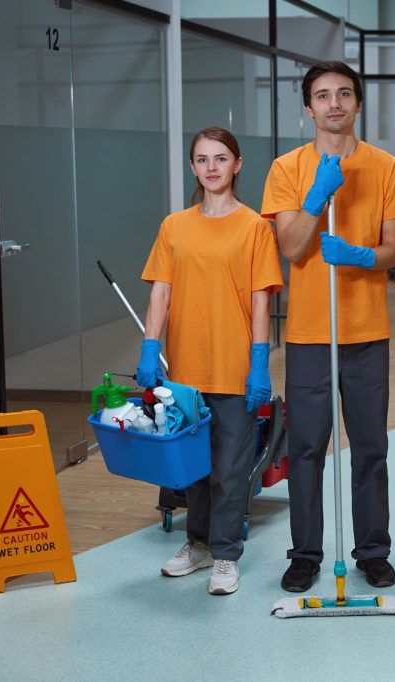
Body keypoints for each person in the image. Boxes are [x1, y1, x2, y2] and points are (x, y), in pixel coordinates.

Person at [261, 61, 395, 592]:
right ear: (309, 107)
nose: (334, 104)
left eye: (344, 94)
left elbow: (394, 250)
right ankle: (305, 553)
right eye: (323, 96)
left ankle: (373, 550)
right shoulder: (286, 169)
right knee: (306, 449)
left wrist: (357, 255)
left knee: (370, 447)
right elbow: (291, 246)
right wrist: (316, 197)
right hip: (308, 335)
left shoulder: (387, 168)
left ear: (356, 103)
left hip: (366, 332)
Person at [136, 127, 283, 595]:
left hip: (235, 367)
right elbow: (162, 289)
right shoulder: (174, 226)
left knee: (229, 467)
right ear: (194, 167)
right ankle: (196, 546)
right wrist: (148, 346)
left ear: (237, 165)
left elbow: (261, 300)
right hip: (185, 369)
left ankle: (224, 555)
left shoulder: (255, 227)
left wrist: (258, 363)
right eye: (202, 159)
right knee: (192, 467)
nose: (212, 167)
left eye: (221, 158)